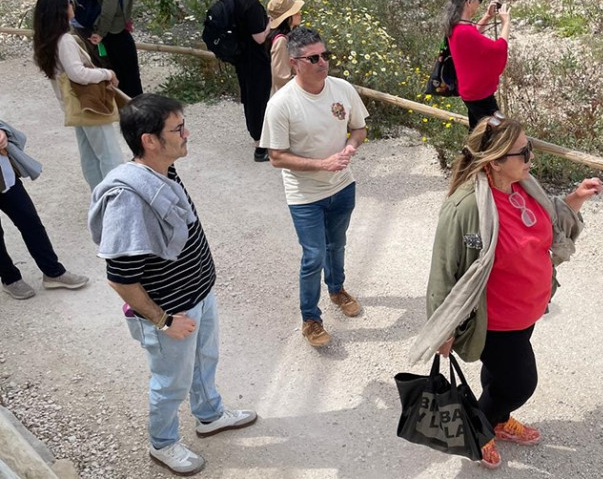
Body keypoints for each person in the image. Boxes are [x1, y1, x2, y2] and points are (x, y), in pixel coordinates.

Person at [88, 93, 257, 476]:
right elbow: (120, 279)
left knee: (204, 361)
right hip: (170, 311)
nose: (187, 134)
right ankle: (162, 444)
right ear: (149, 140)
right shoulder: (129, 199)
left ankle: (210, 415)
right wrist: (164, 320)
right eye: (177, 129)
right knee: (170, 383)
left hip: (198, 293)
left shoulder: (163, 171)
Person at [420, 116, 602, 468]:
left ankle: (498, 420)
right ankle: (478, 430)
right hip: (495, 320)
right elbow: (444, 272)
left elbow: (550, 223)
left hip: (528, 309)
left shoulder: (523, 185)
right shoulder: (467, 207)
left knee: (499, 375)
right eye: (524, 152)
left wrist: (577, 197)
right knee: (520, 384)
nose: (532, 157)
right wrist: (441, 330)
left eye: (530, 148)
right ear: (496, 160)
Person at [259, 26, 369, 348]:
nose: (323, 63)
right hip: (305, 196)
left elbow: (359, 128)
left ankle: (337, 290)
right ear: (295, 63)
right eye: (314, 58)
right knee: (313, 255)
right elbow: (276, 157)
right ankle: (311, 318)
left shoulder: (342, 89)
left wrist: (350, 147)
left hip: (342, 187)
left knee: (337, 244)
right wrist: (321, 164)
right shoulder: (281, 105)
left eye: (325, 55)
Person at [32, 0, 124, 190]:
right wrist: (106, 73)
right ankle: (115, 196)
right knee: (109, 153)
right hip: (87, 102)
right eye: (69, 3)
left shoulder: (47, 40)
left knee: (89, 152)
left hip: (73, 104)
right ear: (61, 11)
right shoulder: (64, 40)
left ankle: (99, 193)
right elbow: (78, 74)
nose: (72, 6)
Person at [1, 120, 89, 300]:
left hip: (4, 176)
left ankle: (53, 272)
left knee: (30, 221)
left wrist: (2, 131)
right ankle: (9, 278)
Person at [441, 0, 511, 130]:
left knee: (477, 134)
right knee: (495, 136)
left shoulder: (455, 26)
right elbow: (498, 49)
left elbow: (473, 35)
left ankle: (472, 153)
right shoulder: (464, 32)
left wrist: (487, 16)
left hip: (470, 92)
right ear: (469, 1)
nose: (480, 2)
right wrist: (506, 23)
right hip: (480, 94)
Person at [227, 0, 271, 162]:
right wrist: (270, 23)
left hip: (240, 57)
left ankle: (259, 139)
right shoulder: (250, 3)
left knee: (249, 98)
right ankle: (261, 146)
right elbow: (259, 36)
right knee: (258, 99)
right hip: (255, 58)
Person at [89, 0, 143, 98]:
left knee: (121, 75)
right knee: (130, 76)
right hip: (116, 34)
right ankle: (137, 110)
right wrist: (101, 32)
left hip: (111, 36)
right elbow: (108, 11)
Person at [265, 0, 304, 95]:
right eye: (295, 12)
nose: (300, 13)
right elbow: (281, 77)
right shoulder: (281, 41)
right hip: (286, 97)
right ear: (287, 17)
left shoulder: (282, 37)